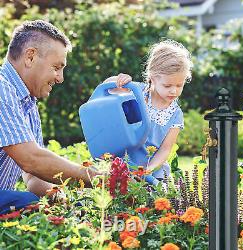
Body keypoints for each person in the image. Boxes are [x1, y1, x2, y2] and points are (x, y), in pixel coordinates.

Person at [0, 20, 99, 214]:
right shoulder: (2, 89)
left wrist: (67, 204)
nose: (60, 78)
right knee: (29, 203)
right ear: (30, 57)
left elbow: (33, 176)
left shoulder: (27, 103)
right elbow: (31, 159)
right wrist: (97, 178)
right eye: (56, 67)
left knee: (45, 205)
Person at [103, 39, 192, 187]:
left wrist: (148, 171)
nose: (174, 90)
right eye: (167, 85)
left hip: (154, 176)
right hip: (123, 167)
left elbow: (165, 149)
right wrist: (119, 80)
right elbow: (107, 88)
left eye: (179, 85)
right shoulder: (136, 91)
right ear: (152, 77)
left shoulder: (175, 114)